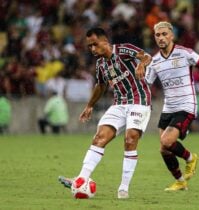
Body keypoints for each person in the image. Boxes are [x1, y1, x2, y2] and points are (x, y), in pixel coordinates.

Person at [58, 27, 152, 199]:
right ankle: (81, 179)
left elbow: (147, 56)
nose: (92, 49)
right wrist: (89, 105)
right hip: (119, 104)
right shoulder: (101, 64)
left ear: (105, 41)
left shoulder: (124, 50)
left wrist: (141, 64)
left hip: (139, 101)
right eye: (89, 47)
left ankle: (123, 189)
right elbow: (101, 85)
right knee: (99, 138)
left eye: (94, 45)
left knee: (130, 139)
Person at [139, 21, 199, 191]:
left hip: (186, 105)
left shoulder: (185, 53)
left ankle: (190, 158)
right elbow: (145, 85)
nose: (161, 38)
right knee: (164, 149)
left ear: (171, 35)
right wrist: (139, 69)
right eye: (158, 35)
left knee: (166, 140)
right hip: (168, 107)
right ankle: (180, 182)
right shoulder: (155, 61)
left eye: (164, 34)